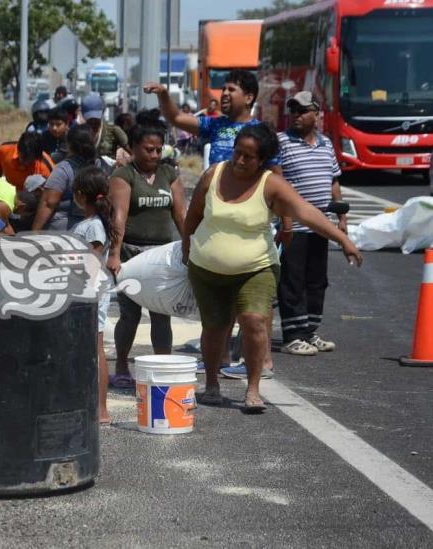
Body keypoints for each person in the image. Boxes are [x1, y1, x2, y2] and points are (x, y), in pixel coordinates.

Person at [183, 123, 362, 412]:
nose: (240, 161)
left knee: (254, 320)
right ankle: (212, 384)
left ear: (262, 161)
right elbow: (193, 214)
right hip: (207, 269)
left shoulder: (271, 183)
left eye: (249, 157)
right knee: (215, 327)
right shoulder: (212, 174)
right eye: (237, 153)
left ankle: (253, 389)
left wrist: (342, 239)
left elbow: (306, 212)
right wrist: (185, 245)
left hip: (256, 267)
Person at [145, 70, 291, 377]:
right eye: (222, 88)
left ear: (249, 97)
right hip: (218, 216)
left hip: (252, 219)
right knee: (219, 296)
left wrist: (286, 222)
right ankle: (221, 357)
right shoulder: (215, 125)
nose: (223, 94)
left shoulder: (260, 132)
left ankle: (262, 362)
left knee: (254, 301)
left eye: (231, 89)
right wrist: (163, 95)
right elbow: (176, 119)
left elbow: (278, 179)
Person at [106, 122, 187, 388]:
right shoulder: (124, 175)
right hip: (131, 253)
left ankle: (163, 365)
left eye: (157, 149)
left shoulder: (169, 174)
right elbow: (119, 217)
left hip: (163, 256)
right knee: (130, 315)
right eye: (147, 150)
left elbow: (181, 217)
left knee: (161, 314)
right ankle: (121, 364)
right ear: (132, 148)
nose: (153, 155)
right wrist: (115, 254)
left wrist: (190, 248)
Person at [276, 91, 347, 355]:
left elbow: (334, 182)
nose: (296, 114)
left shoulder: (326, 144)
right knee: (292, 281)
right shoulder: (281, 142)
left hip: (321, 227)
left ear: (316, 114)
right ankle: (292, 335)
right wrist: (285, 222)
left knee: (317, 280)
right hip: (295, 227)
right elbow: (278, 182)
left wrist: (341, 217)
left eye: (303, 110)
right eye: (292, 109)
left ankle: (309, 331)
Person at [71, 166, 115, 425]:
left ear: (79, 195)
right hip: (83, 292)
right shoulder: (89, 224)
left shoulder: (94, 227)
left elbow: (91, 261)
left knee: (95, 347)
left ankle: (101, 409)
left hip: (90, 293)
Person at [31, 124, 98, 231]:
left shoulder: (63, 169)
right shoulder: (100, 166)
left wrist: (34, 233)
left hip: (66, 229)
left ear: (69, 144)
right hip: (95, 227)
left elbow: (49, 203)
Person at [81, 93, 129, 160]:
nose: (93, 122)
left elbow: (133, 154)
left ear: (102, 112)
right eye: (90, 119)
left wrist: (123, 163)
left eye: (96, 118)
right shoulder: (79, 134)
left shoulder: (114, 131)